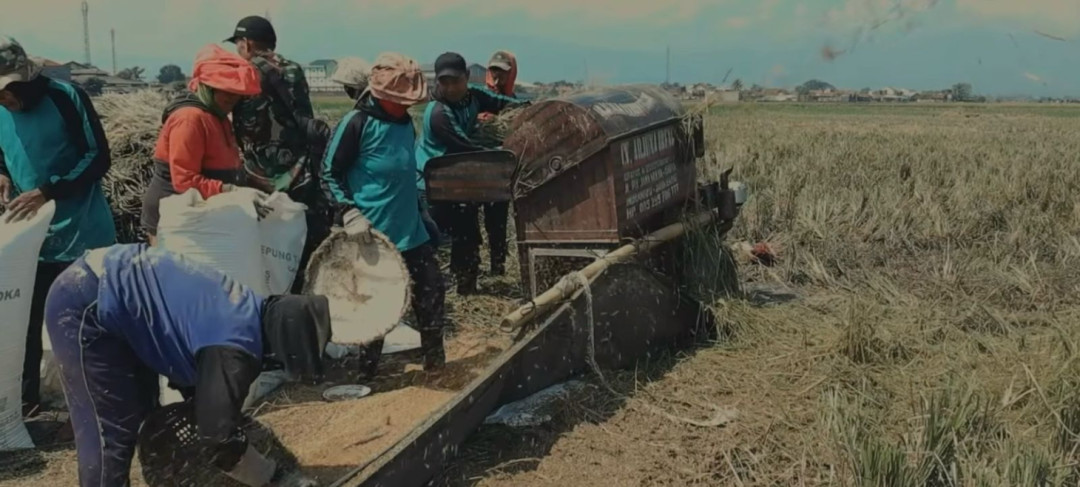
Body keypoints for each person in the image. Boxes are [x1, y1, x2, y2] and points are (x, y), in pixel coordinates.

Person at [45, 243, 326, 487]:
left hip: (116, 291)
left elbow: (205, 401)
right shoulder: (232, 349)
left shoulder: (251, 309)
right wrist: (271, 476)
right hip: (85, 299)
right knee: (111, 431)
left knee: (142, 411)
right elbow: (216, 436)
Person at [0, 37, 116, 417]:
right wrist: (2, 175)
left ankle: (104, 402)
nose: (4, 100)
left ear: (25, 79)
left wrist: (48, 191)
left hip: (82, 232)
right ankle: (27, 404)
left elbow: (99, 156)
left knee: (90, 323)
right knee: (24, 326)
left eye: (7, 92)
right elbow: (4, 154)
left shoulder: (65, 97)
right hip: (32, 238)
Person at [323, 52, 447, 373]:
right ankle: (367, 374)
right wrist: (348, 211)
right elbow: (329, 172)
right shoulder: (357, 123)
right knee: (375, 306)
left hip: (410, 229)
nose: (408, 105)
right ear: (382, 94)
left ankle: (435, 365)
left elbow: (405, 171)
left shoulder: (405, 122)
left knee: (432, 291)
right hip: (372, 236)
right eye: (401, 100)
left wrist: (422, 213)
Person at [227, 15, 332, 293]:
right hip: (300, 172)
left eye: (238, 43)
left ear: (247, 43)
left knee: (263, 249)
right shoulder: (294, 70)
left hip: (259, 178)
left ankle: (269, 302)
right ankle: (300, 299)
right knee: (298, 244)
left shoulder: (245, 71)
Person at [414, 52, 523, 294]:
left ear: (466, 77)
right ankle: (438, 292)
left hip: (459, 180)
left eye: (456, 81)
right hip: (432, 185)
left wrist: (529, 109)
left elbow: (501, 102)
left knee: (468, 237)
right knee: (437, 241)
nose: (451, 87)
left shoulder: (474, 95)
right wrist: (500, 152)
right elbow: (465, 147)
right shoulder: (438, 112)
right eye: (445, 82)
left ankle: (466, 288)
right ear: (437, 82)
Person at [140, 43, 263, 245]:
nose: (233, 97)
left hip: (205, 213)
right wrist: (232, 191)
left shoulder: (218, 116)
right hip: (176, 216)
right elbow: (185, 180)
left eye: (237, 92)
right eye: (226, 91)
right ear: (208, 88)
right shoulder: (190, 119)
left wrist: (252, 183)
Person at [476, 50, 519, 276]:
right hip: (474, 169)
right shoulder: (478, 98)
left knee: (497, 222)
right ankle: (471, 270)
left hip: (499, 173)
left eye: (503, 72)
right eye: (494, 70)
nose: (497, 76)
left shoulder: (514, 105)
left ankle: (498, 266)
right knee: (471, 223)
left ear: (511, 73)